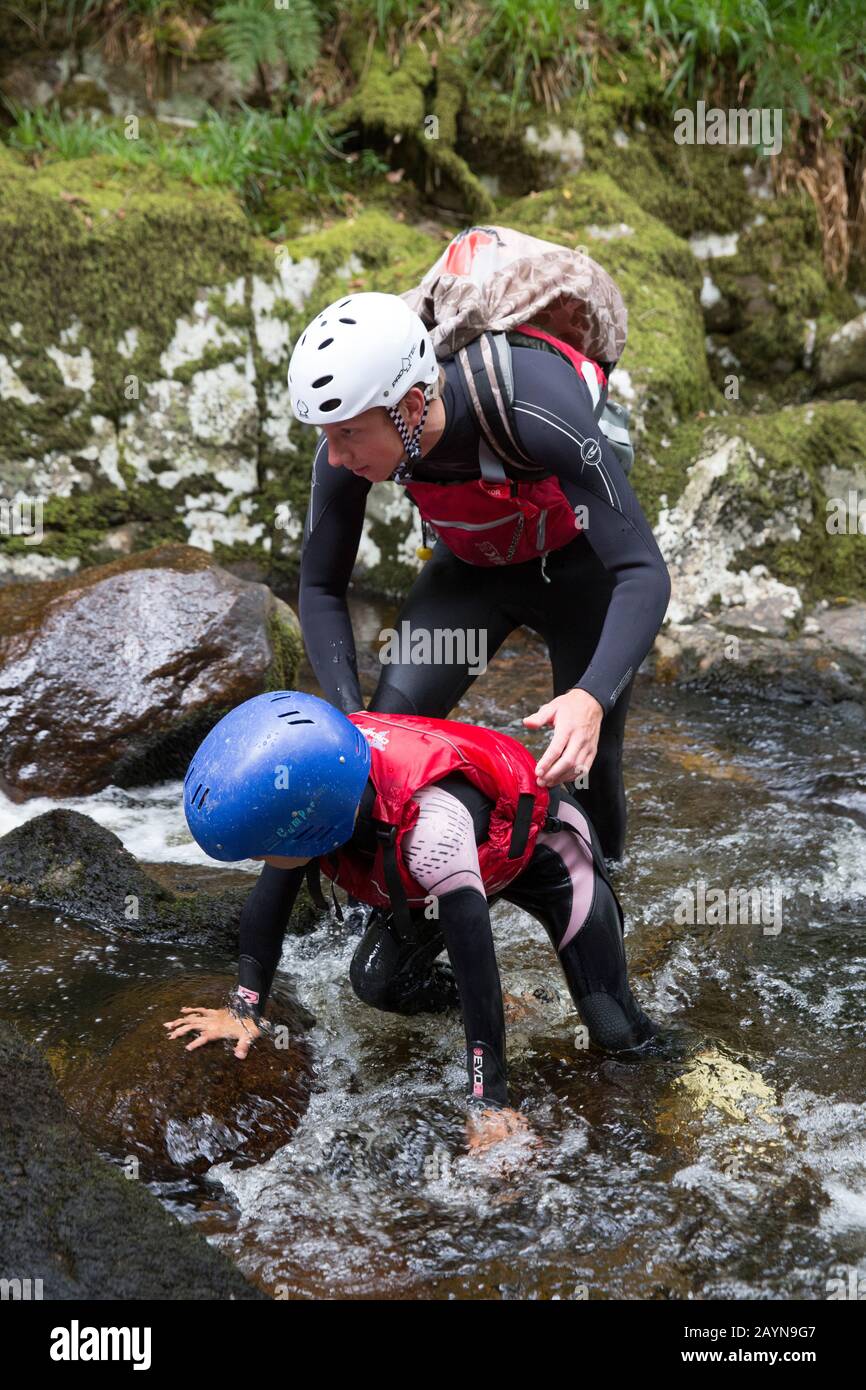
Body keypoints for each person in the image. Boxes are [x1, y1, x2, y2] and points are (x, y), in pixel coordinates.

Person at [167, 692, 658, 1152]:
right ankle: (517, 1009)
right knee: (378, 982)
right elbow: (269, 900)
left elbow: (476, 965)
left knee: (615, 1030)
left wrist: (490, 1102)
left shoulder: (430, 835)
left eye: (262, 848)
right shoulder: (322, 781)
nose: (260, 858)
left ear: (313, 826)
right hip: (463, 857)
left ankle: (700, 1070)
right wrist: (245, 1009)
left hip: (547, 851)